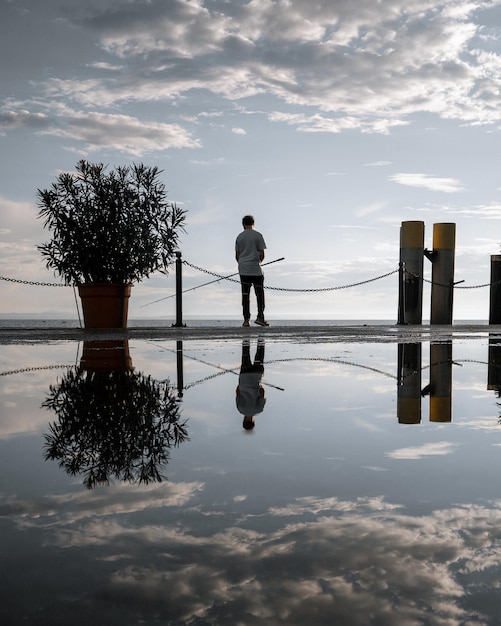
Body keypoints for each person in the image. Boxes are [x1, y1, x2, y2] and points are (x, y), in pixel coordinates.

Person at [235, 215, 269, 327]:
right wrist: (258, 261)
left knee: (245, 295)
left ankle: (246, 319)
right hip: (255, 269)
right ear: (253, 223)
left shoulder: (239, 237)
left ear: (243, 224)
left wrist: (243, 263)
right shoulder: (258, 235)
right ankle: (260, 317)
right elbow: (262, 254)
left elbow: (237, 256)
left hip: (243, 269)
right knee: (259, 294)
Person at [236, 339, 266, 430]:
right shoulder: (240, 409)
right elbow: (237, 392)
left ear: (253, 421)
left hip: (256, 375)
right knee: (245, 353)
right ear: (244, 421)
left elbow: (262, 392)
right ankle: (246, 331)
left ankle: (261, 334)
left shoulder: (259, 410)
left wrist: (259, 385)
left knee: (259, 355)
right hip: (244, 376)